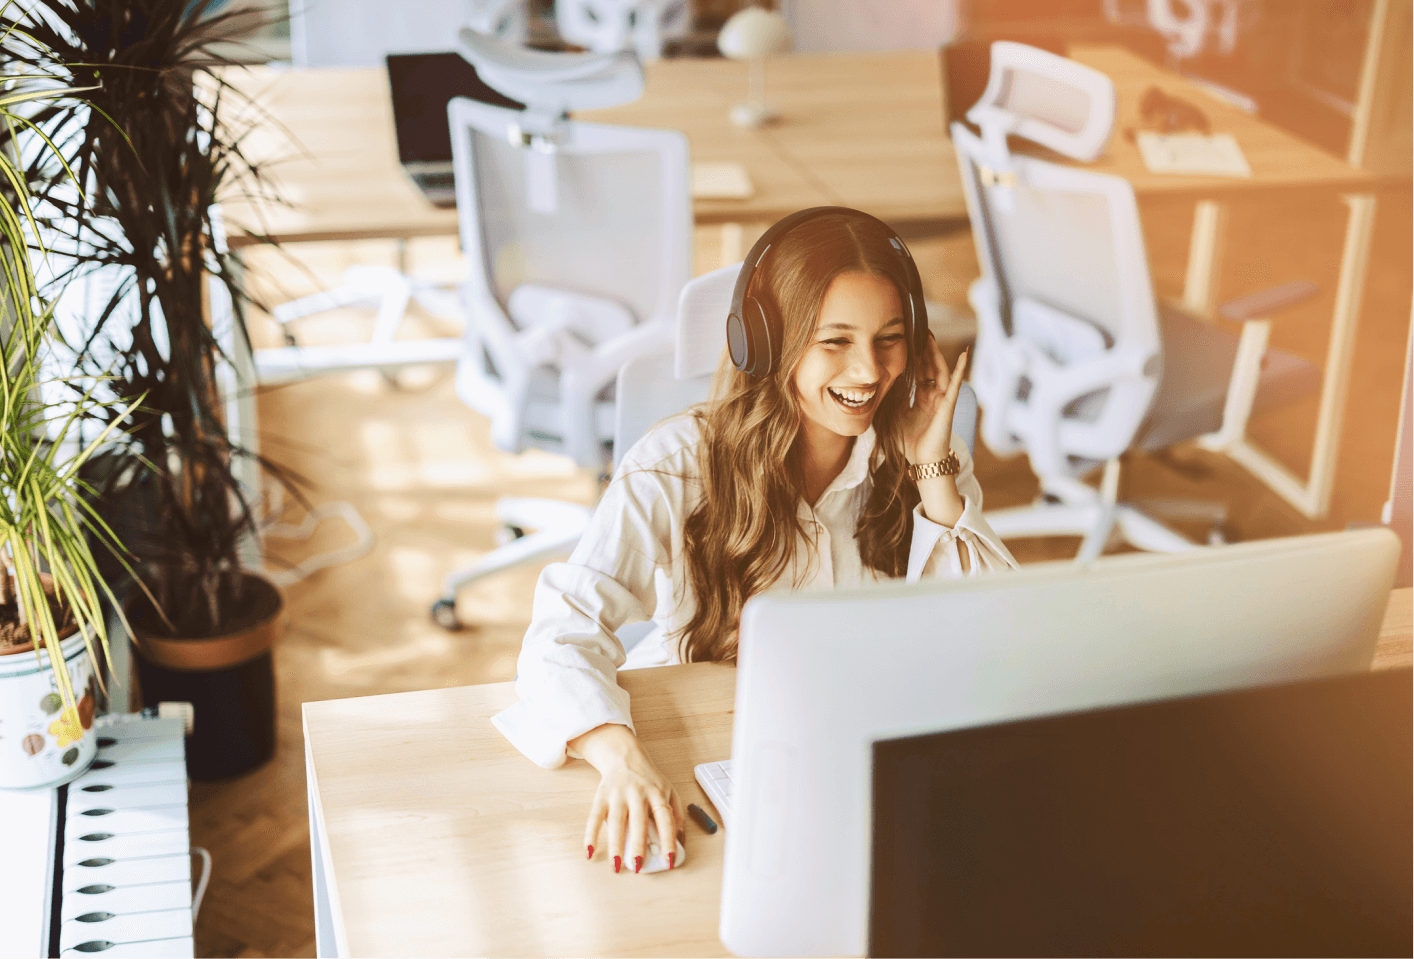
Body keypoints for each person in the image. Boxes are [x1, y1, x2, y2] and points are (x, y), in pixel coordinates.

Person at [491, 208, 1017, 874]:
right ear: (767, 342)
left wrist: (933, 470)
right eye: (835, 341)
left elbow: (991, 637)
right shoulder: (680, 462)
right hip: (714, 749)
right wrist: (620, 760)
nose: (870, 370)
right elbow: (559, 634)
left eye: (890, 338)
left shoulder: (922, 453)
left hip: (859, 737)